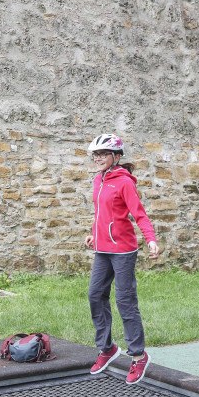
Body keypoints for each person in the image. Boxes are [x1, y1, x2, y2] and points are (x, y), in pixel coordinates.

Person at [85, 134, 160, 384]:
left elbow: (139, 214)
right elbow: (102, 214)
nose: (98, 159)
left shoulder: (124, 182)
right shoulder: (98, 180)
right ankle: (107, 349)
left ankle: (138, 356)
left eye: (103, 154)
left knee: (125, 301)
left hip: (124, 251)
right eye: (95, 155)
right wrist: (93, 234)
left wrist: (150, 239)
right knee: (95, 296)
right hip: (103, 249)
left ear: (116, 157)